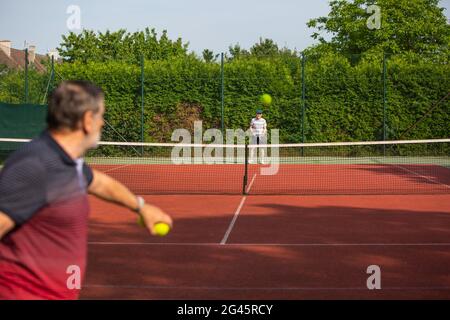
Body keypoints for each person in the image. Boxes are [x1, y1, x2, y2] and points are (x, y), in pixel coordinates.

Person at [0, 80, 172, 299]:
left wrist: (140, 207)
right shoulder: (36, 166)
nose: (103, 123)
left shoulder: (67, 163)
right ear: (87, 120)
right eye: (101, 116)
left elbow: (98, 182)